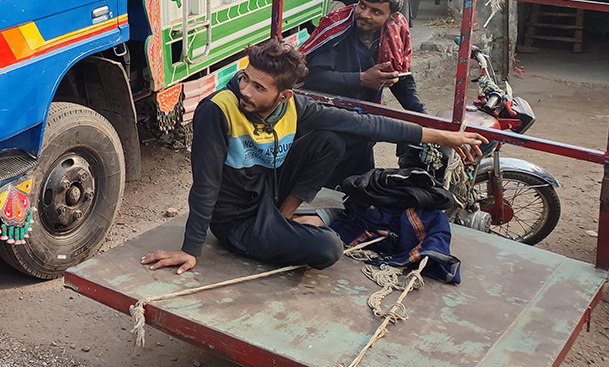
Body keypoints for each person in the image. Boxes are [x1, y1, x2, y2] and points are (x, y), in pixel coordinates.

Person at [141, 38, 484, 275]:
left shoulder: (295, 106)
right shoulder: (217, 110)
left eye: (259, 87)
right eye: (245, 79)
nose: (245, 90)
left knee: (332, 140)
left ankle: (283, 217)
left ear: (284, 94)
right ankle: (274, 228)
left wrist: (446, 137)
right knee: (328, 249)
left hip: (269, 193)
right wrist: (191, 247)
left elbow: (369, 124)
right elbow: (206, 183)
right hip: (236, 218)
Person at [300, 0, 426, 187]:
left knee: (361, 189)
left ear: (391, 17)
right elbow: (314, 78)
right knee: (323, 194)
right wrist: (361, 79)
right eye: (362, 5)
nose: (364, 14)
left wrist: (423, 117)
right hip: (328, 127)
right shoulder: (338, 31)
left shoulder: (394, 33)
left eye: (376, 12)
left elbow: (400, 79)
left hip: (364, 128)